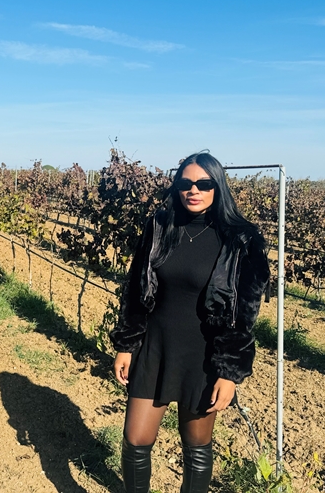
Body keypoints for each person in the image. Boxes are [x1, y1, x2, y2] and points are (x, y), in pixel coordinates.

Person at [110, 151, 270, 493]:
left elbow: (245, 313)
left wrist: (229, 372)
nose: (193, 190)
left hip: (203, 355)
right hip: (155, 346)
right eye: (185, 183)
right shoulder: (160, 226)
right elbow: (136, 288)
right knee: (136, 439)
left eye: (204, 184)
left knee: (196, 445)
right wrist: (127, 345)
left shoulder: (241, 239)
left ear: (218, 187)